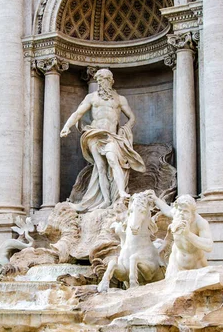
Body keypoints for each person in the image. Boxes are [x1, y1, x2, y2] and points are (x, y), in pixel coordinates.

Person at [60, 68, 145, 211]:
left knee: (113, 160)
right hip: (94, 134)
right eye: (99, 80)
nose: (102, 82)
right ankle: (106, 200)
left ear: (111, 81)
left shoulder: (119, 99)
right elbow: (78, 113)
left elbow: (132, 117)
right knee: (100, 167)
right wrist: (66, 127)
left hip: (110, 136)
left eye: (105, 79)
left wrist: (125, 129)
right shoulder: (91, 97)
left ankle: (121, 192)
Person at [152, 193, 213, 278]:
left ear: (193, 213)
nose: (181, 214)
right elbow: (166, 209)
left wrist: (188, 234)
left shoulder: (200, 223)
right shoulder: (177, 214)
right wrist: (155, 199)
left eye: (185, 211)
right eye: (180, 210)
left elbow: (209, 246)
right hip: (176, 264)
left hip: (197, 265)